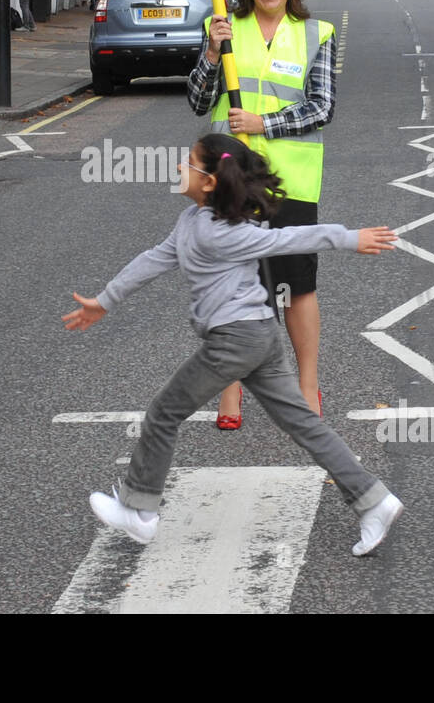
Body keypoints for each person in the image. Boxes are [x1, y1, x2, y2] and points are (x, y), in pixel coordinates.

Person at [64, 133, 404, 556]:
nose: (178, 168)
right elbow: (155, 258)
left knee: (164, 413)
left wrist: (347, 237)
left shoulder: (220, 234)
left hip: (235, 339)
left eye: (187, 162)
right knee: (301, 422)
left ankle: (138, 509)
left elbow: (288, 240)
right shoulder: (191, 221)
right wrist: (105, 301)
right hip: (259, 335)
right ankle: (375, 501)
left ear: (208, 181)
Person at [187, 0, 335, 428]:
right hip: (231, 178)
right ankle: (231, 391)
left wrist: (264, 124)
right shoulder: (221, 27)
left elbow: (322, 107)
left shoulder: (317, 33)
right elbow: (198, 101)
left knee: (297, 285)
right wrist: (211, 54)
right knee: (232, 282)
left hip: (290, 180)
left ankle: (307, 386)